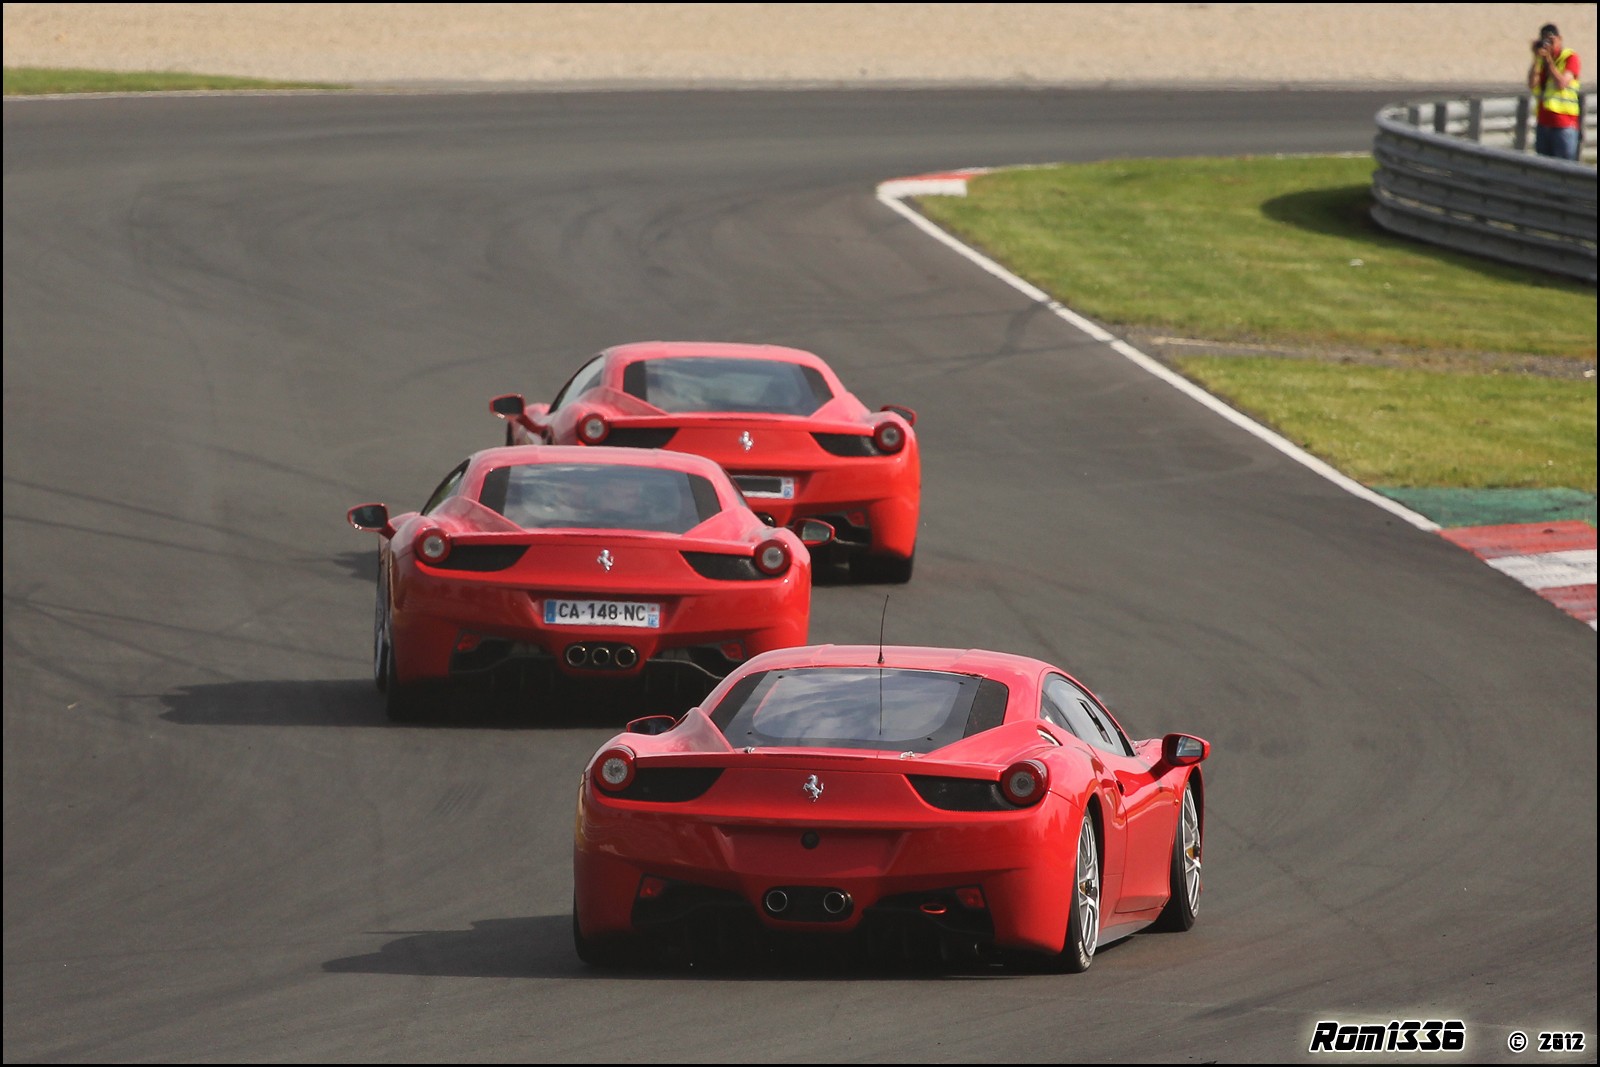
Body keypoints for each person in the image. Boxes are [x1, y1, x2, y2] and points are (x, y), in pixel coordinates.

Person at [1527, 22, 1582, 161]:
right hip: (1543, 122)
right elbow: (1532, 83)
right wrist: (1536, 58)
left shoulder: (1569, 57)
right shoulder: (1541, 60)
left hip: (1564, 124)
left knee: (1565, 168)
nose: (1548, 45)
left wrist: (1549, 61)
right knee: (1543, 168)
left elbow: (1561, 83)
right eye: (1545, 40)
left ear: (1559, 39)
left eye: (1551, 40)